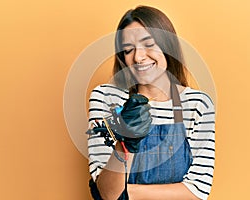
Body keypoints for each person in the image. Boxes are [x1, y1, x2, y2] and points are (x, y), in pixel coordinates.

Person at [87, 5, 215, 200]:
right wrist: (125, 142)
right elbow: (107, 193)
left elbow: (197, 191)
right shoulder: (106, 98)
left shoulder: (197, 105)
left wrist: (126, 194)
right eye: (128, 49)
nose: (138, 57)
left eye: (149, 44)